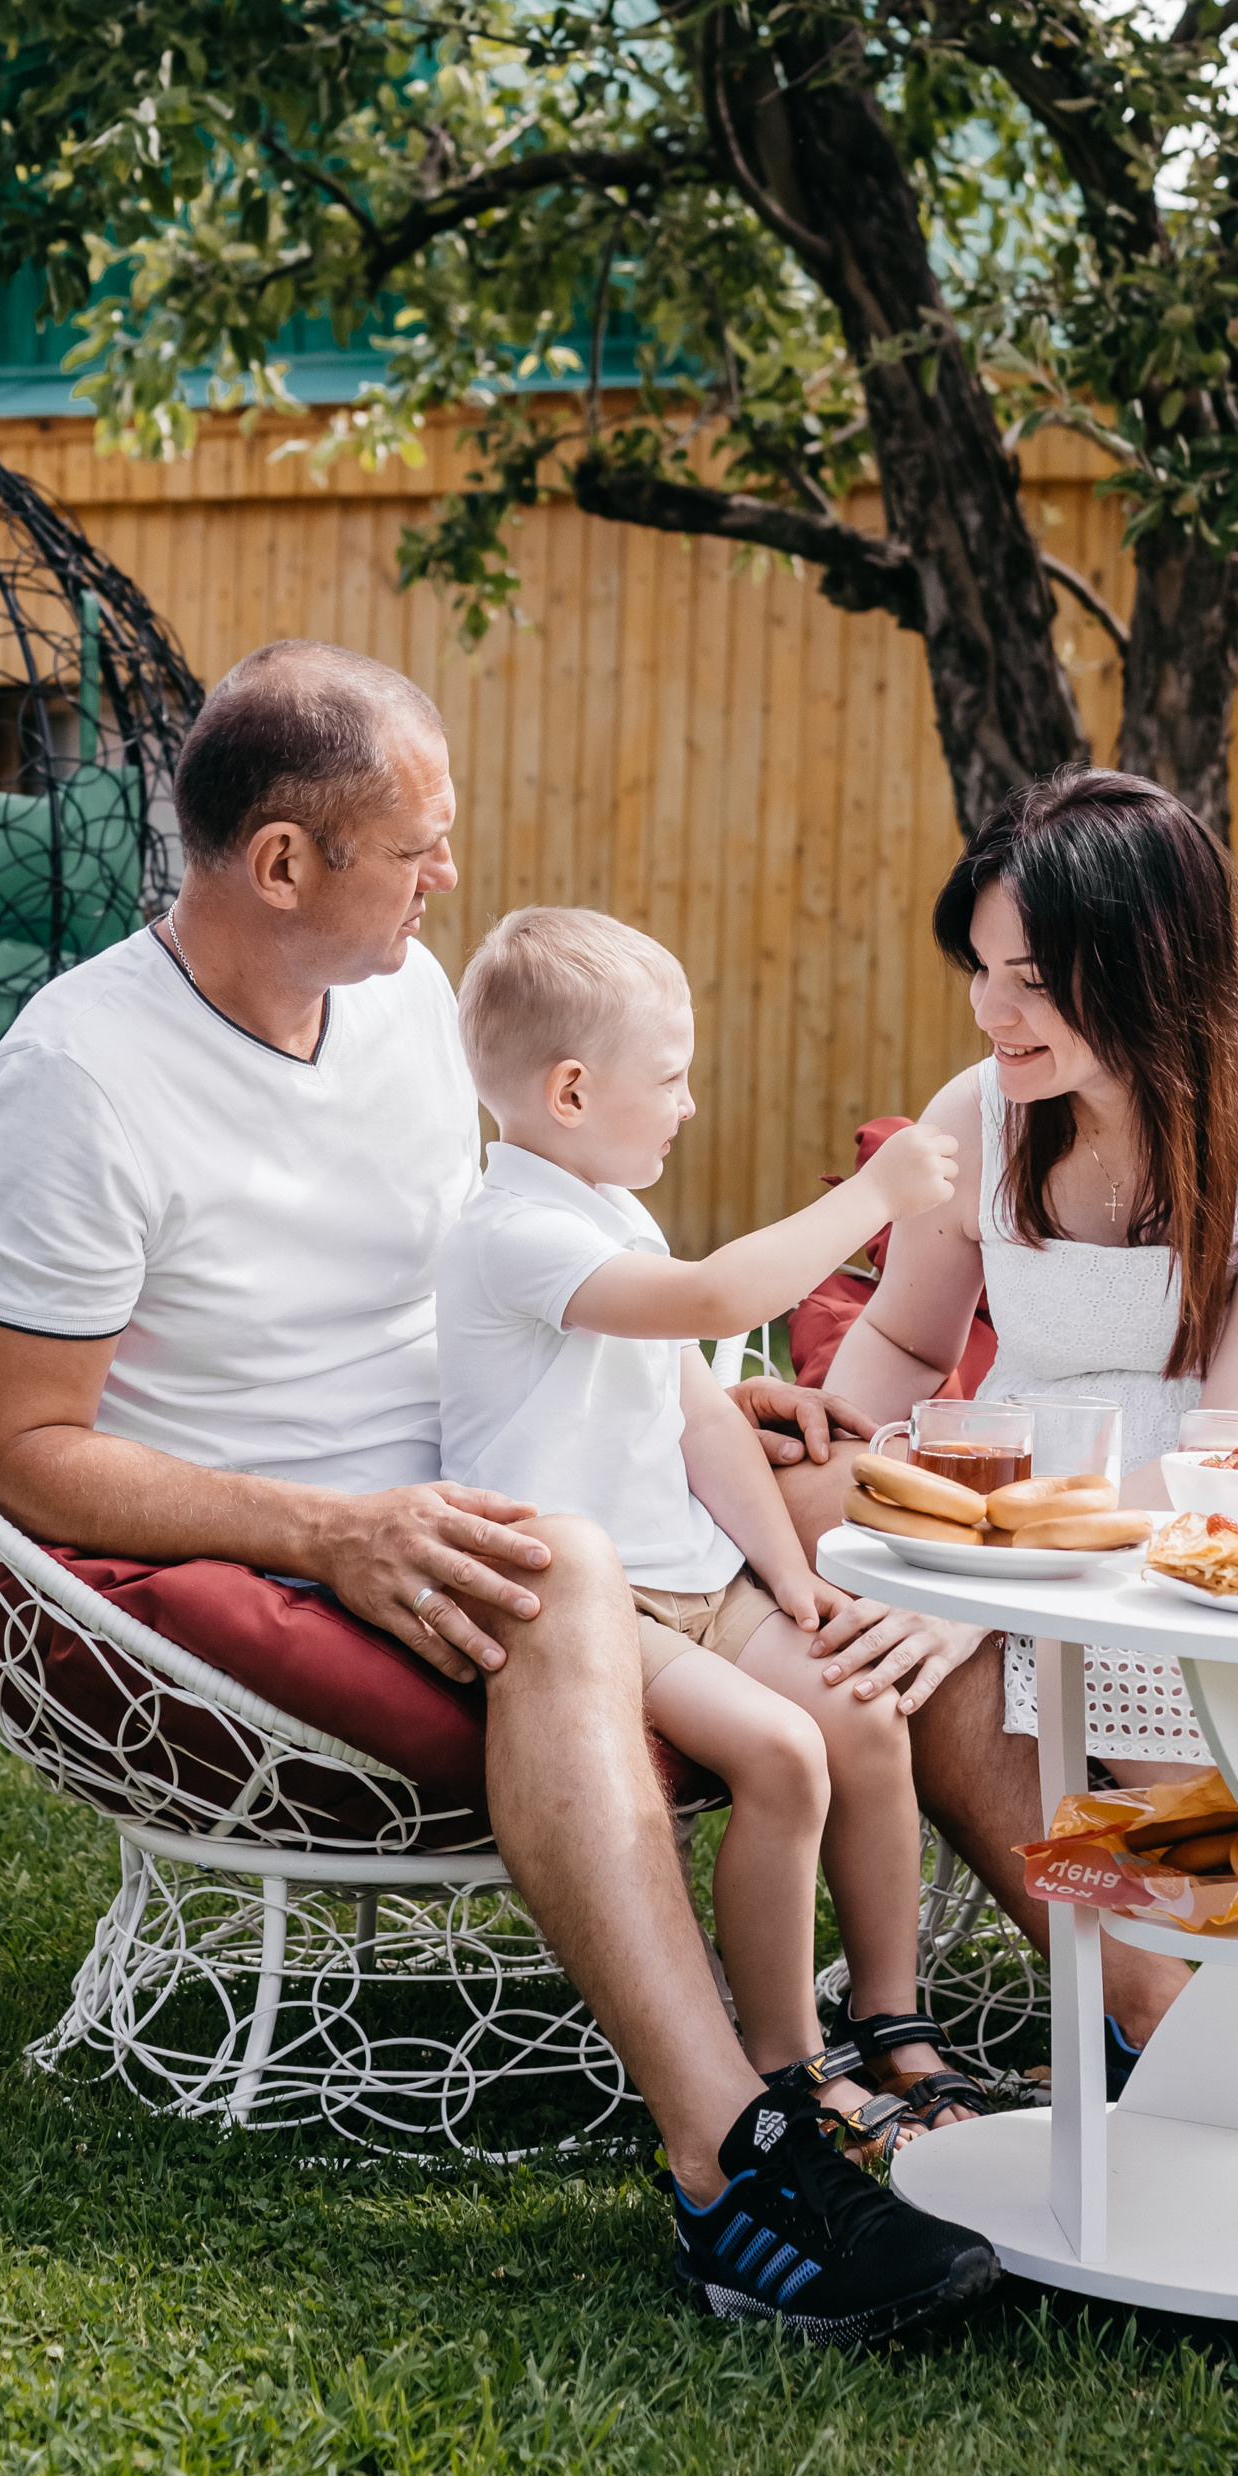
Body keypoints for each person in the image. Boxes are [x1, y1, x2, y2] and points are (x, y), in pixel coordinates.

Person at [0, 639, 995, 2341]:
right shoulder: (72, 1088)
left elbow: (502, 1273)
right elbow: (18, 1453)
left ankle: (1125, 2013)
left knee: (877, 1497)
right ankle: (738, 2172)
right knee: (569, 1560)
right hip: (335, 1540)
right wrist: (329, 1532)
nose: (449, 878)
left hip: (496, 1473)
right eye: (417, 846)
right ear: (283, 862)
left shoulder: (405, 1005)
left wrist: (695, 1385)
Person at [776, 767, 1238, 2086]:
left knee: (1222, 1743)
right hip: (1043, 1511)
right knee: (899, 1627)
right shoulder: (982, 1111)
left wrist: (1001, 1572)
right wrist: (839, 1437)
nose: (990, 1012)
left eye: (1031, 982)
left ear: (1145, 965)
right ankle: (1144, 2002)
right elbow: (901, 1341)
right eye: (982, 970)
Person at [439, 904, 991, 2161]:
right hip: (589, 1607)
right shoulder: (516, 1233)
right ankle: (784, 2068)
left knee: (860, 1705)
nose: (689, 1105)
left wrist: (794, 1582)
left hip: (693, 1580)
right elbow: (714, 1301)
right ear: (572, 1091)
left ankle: (892, 2019)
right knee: (787, 1758)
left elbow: (697, 1413)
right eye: (673, 1077)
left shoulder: (609, 1214)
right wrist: (876, 1196)